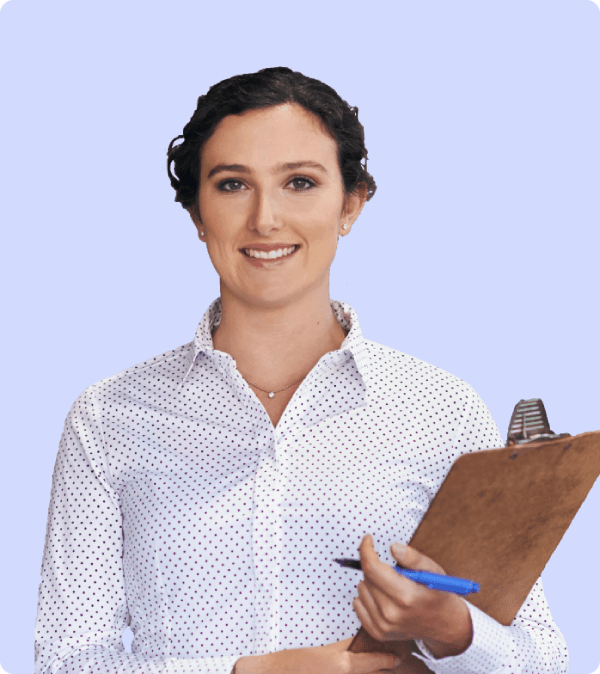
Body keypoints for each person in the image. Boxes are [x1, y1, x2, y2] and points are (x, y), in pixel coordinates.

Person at [34, 67, 568, 674]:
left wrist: (455, 633)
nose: (265, 219)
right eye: (233, 184)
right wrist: (251, 673)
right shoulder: (108, 419)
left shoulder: (440, 409)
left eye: (300, 182)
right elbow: (67, 662)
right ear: (197, 214)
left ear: (350, 204)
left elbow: (543, 661)